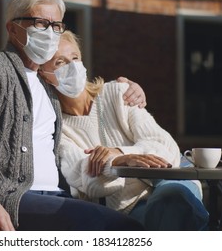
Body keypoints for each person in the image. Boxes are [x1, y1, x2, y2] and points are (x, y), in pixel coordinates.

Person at [0, 0, 147, 231]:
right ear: (13, 28)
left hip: (55, 196)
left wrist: (128, 86)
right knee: (122, 230)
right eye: (40, 23)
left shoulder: (48, 82)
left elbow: (86, 93)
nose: (50, 32)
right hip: (10, 198)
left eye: (56, 26)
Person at [38, 30, 209, 230]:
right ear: (44, 75)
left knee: (171, 199)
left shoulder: (118, 93)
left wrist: (120, 153)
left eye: (75, 58)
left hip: (171, 179)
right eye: (60, 62)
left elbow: (165, 146)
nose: (72, 66)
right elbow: (86, 178)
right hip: (128, 206)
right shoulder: (55, 127)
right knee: (165, 213)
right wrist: (118, 162)